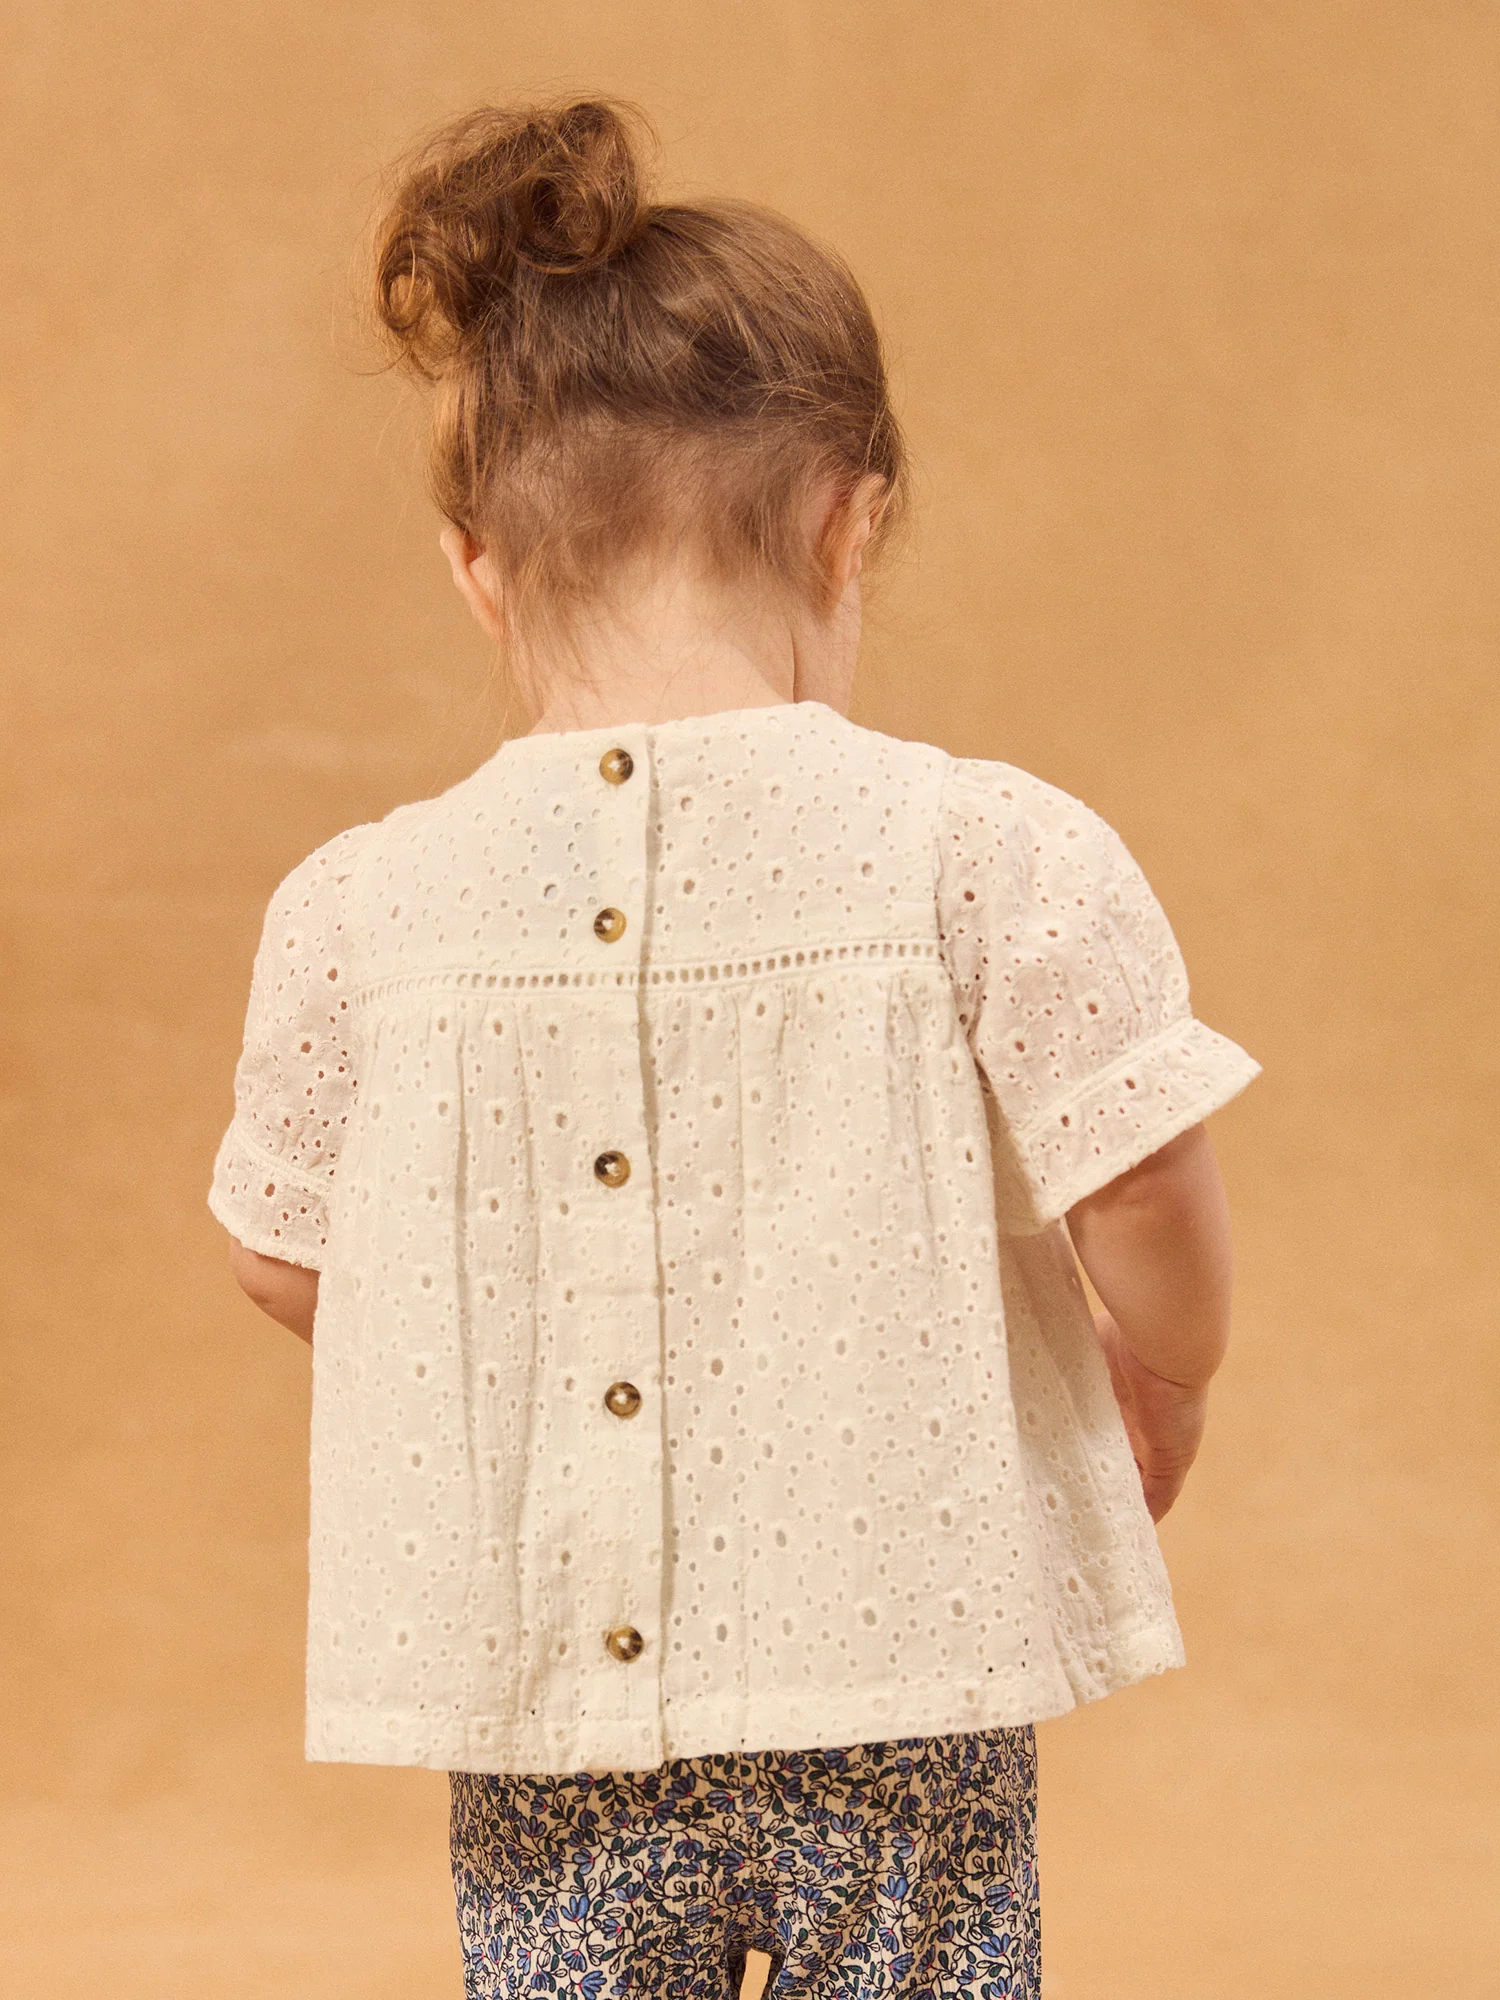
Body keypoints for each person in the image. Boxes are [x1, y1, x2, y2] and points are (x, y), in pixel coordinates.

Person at [209, 98, 1260, 2000]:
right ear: (852, 523)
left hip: (551, 1716)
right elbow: (1143, 1180)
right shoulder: (986, 852)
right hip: (906, 1685)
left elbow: (286, 1257)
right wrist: (1164, 1375)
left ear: (477, 566)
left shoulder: (357, 911)